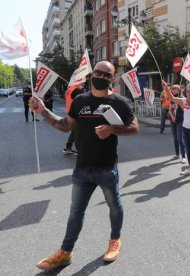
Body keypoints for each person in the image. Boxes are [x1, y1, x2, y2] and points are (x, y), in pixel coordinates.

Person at [31, 61, 139, 271]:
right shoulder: (80, 101)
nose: (101, 76)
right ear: (91, 75)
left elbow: (134, 127)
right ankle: (65, 252)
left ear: (112, 78)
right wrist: (43, 111)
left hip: (107, 168)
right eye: (97, 72)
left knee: (114, 205)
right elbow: (64, 126)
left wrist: (112, 130)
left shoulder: (118, 101)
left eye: (106, 74)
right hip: (82, 168)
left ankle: (115, 240)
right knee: (76, 212)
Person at [163, 80, 190, 181]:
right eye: (187, 91)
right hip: (185, 128)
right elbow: (171, 98)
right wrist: (166, 88)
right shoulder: (183, 100)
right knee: (188, 149)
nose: (188, 93)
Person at [63, 84, 85, 154]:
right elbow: (82, 101)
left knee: (74, 131)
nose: (83, 84)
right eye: (82, 82)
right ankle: (79, 150)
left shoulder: (70, 89)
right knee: (78, 132)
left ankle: (68, 147)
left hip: (71, 113)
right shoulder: (77, 91)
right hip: (77, 113)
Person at [168, 84, 186, 163]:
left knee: (179, 138)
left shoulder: (181, 99)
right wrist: (172, 116)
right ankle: (177, 154)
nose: (173, 91)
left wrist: (178, 105)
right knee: (175, 138)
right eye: (173, 89)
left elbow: (185, 109)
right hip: (173, 120)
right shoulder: (172, 99)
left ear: (179, 90)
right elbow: (169, 110)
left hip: (180, 120)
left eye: (175, 89)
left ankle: (183, 156)